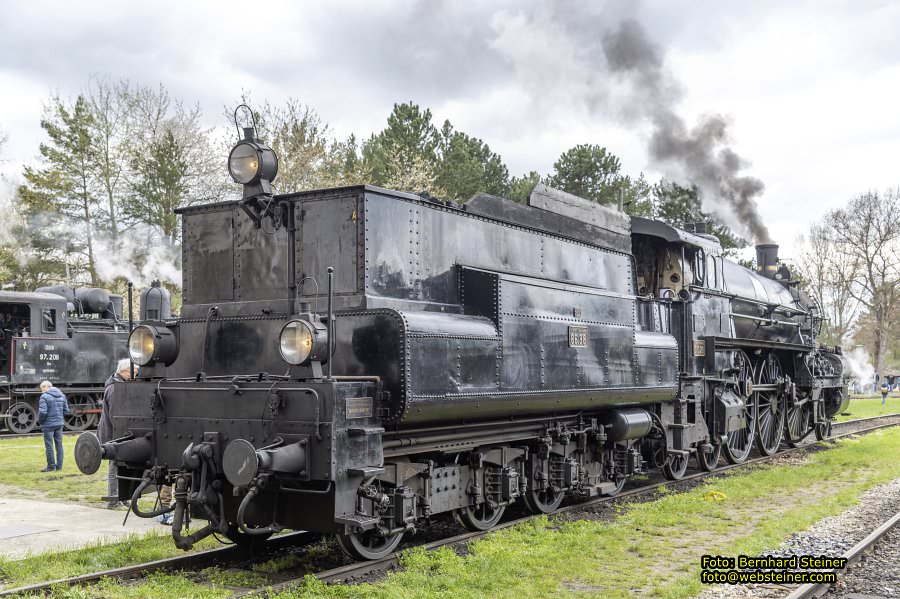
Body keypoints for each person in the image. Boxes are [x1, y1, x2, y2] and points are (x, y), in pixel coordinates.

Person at [100, 359, 132, 509]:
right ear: (125, 371)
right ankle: (113, 500)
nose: (134, 375)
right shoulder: (114, 389)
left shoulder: (119, 385)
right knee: (114, 466)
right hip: (113, 433)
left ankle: (123, 497)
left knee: (122, 465)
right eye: (133, 372)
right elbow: (114, 415)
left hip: (118, 432)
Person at [38, 380, 68, 472]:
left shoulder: (44, 397)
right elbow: (66, 410)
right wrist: (59, 418)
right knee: (59, 445)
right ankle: (59, 467)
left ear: (46, 387)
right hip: (59, 424)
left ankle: (51, 466)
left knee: (49, 445)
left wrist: (40, 421)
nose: (41, 391)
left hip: (48, 425)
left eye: (42, 388)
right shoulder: (62, 396)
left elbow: (43, 412)